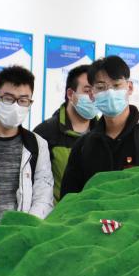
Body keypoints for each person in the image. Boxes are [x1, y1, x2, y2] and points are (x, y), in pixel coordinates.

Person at [61, 55, 139, 196]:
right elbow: (69, 199)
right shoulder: (82, 146)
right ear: (91, 94)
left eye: (116, 85)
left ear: (129, 88)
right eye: (101, 87)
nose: (110, 92)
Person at [0, 65, 54, 247]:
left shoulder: (37, 145)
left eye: (23, 100)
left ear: (30, 103)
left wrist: (25, 231)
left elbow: (43, 196)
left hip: (19, 238)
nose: (16, 106)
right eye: (8, 99)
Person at [34, 64, 98, 201]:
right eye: (87, 91)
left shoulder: (104, 133)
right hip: (58, 212)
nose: (93, 97)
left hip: (95, 211)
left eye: (97, 91)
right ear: (70, 94)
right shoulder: (45, 133)